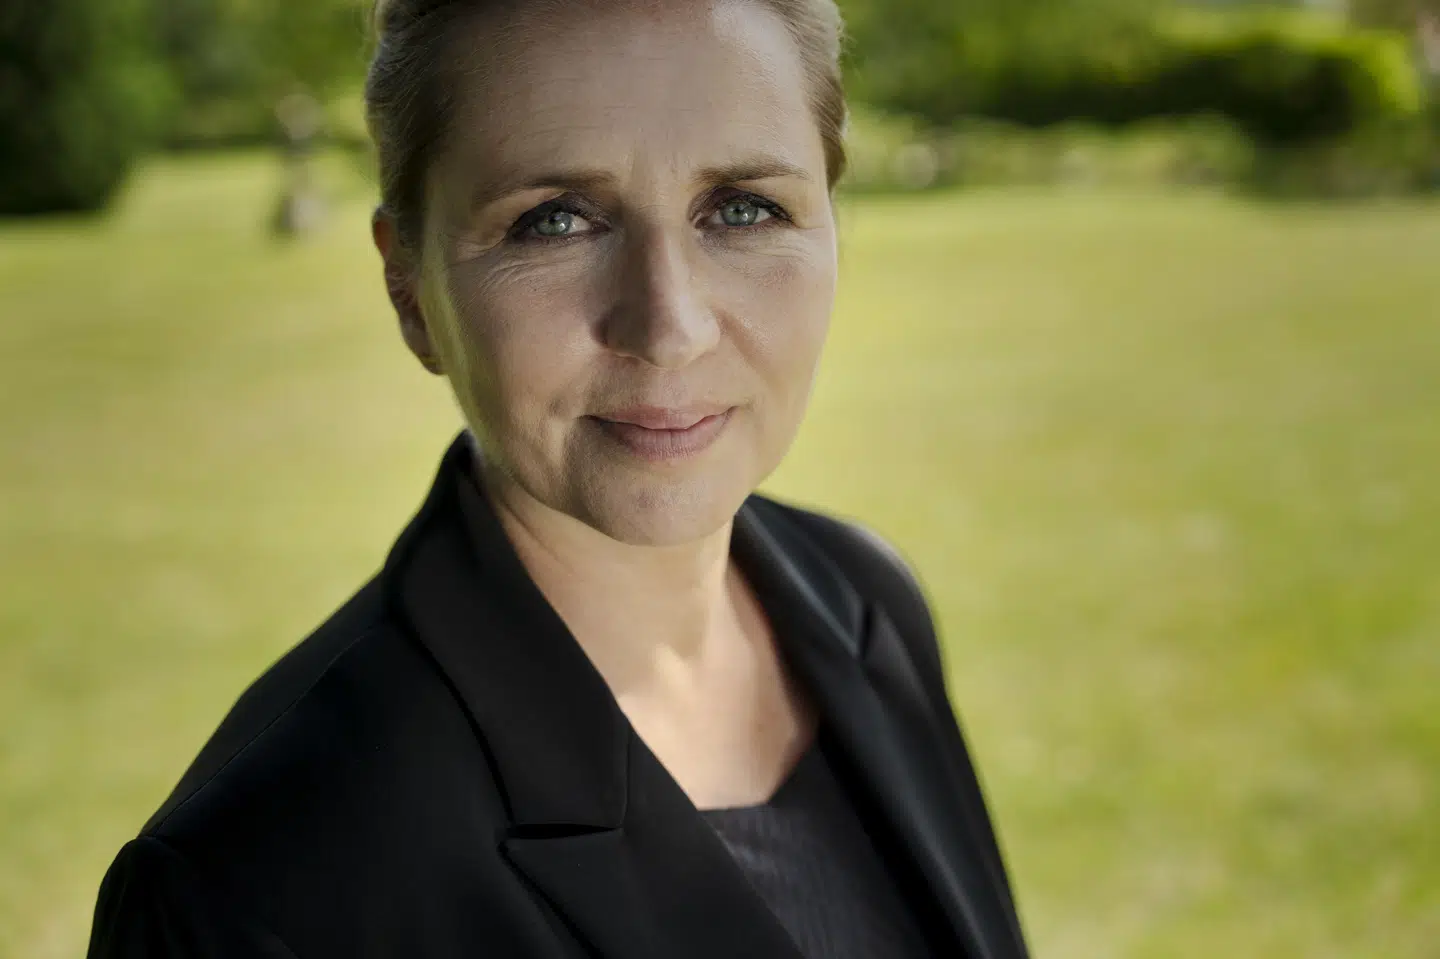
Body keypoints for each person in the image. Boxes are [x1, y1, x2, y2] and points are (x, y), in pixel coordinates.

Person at [86, 1, 1030, 956]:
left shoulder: (866, 600)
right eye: (556, 220)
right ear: (409, 289)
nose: (669, 327)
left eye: (743, 207)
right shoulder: (251, 883)